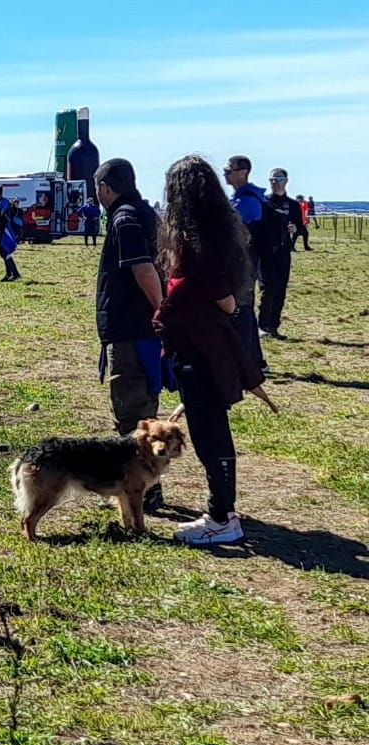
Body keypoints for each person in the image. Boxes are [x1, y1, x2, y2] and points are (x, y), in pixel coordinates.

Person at [153, 155, 274, 547]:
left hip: (199, 344)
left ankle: (222, 516)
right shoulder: (217, 230)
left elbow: (216, 290)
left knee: (209, 431)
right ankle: (223, 511)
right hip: (206, 341)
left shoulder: (192, 238)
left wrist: (199, 299)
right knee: (209, 426)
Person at [93, 159, 168, 512]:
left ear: (105, 187)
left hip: (134, 328)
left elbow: (144, 269)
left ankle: (142, 490)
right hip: (139, 327)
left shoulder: (124, 218)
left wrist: (161, 310)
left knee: (132, 409)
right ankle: (143, 486)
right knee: (142, 404)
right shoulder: (145, 213)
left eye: (98, 189)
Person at [222, 155, 266, 370]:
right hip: (242, 262)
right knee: (243, 308)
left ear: (243, 172)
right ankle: (254, 359)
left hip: (245, 263)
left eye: (228, 170)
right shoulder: (242, 198)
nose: (225, 174)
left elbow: (234, 231)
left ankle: (248, 361)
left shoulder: (248, 201)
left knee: (242, 309)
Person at [260, 168, 305, 340]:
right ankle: (262, 326)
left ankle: (274, 326)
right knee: (268, 289)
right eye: (272, 179)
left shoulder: (293, 205)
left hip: (283, 252)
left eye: (278, 179)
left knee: (280, 290)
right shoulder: (264, 202)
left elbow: (300, 226)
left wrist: (295, 229)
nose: (274, 182)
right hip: (265, 253)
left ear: (286, 181)